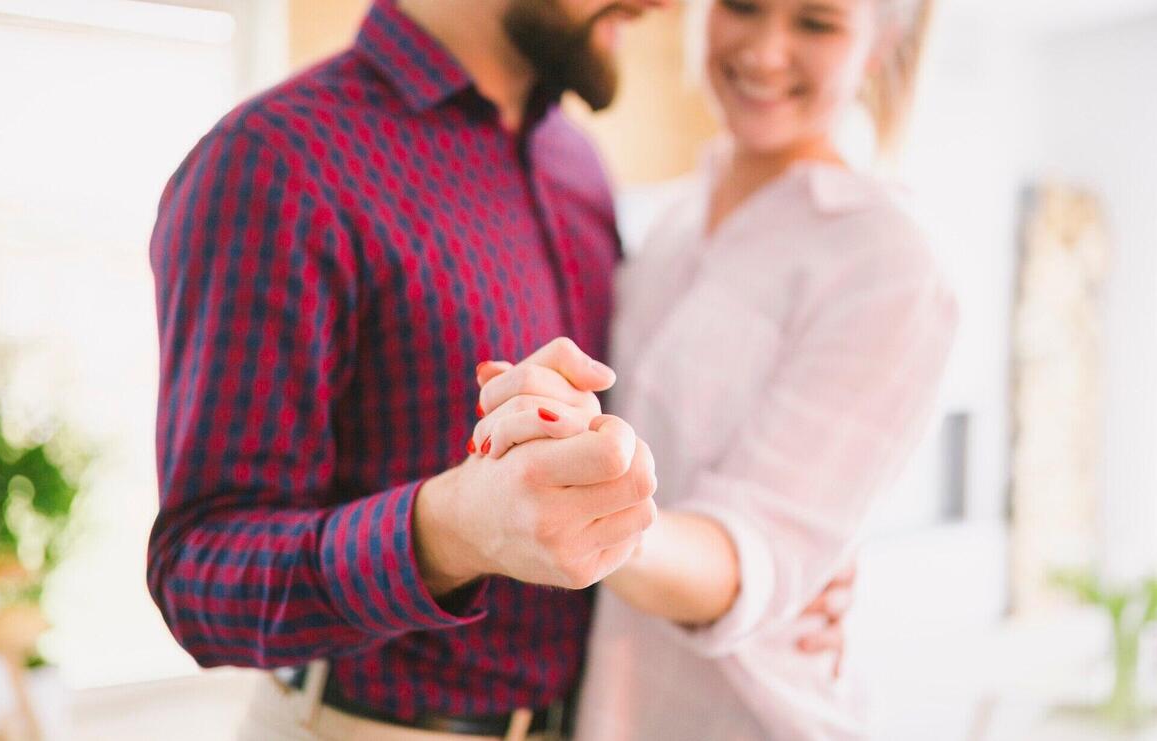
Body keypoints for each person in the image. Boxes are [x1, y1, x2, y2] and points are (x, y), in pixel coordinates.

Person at [146, 1, 847, 739]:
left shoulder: (573, 159)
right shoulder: (277, 163)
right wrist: (452, 531)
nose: (663, 5)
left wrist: (772, 572)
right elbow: (200, 576)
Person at [469, 0, 957, 738]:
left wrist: (578, 492)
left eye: (816, 24)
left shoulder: (889, 264)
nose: (765, 52)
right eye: (743, 7)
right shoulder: (664, 222)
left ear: (879, 45)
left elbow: (750, 558)